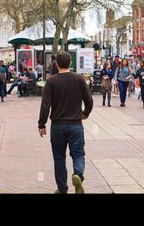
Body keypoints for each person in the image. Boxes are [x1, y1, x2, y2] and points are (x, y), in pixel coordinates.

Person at [38, 52, 93, 194]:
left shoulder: (51, 81)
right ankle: (78, 175)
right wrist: (85, 113)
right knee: (78, 153)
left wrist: (41, 124)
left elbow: (45, 105)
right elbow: (89, 100)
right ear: (70, 63)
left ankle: (62, 188)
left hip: (57, 125)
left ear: (57, 64)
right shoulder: (79, 79)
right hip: (75, 124)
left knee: (59, 157)